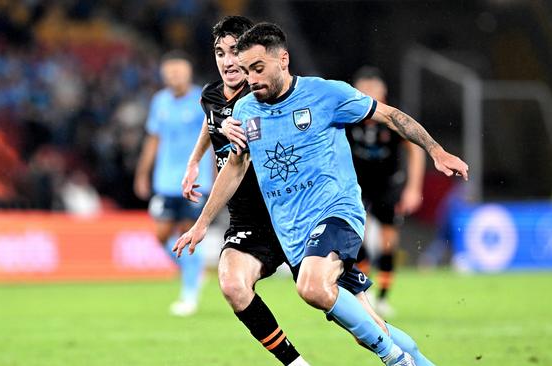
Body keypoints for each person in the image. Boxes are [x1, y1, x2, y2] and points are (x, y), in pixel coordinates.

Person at [176, 23, 468, 365]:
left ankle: (393, 359)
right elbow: (235, 168)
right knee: (364, 323)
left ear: (283, 60)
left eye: (257, 69)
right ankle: (416, 360)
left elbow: (390, 116)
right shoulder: (246, 111)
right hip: (292, 229)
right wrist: (202, 223)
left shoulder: (326, 94)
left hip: (335, 212)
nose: (250, 80)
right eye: (246, 71)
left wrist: (436, 151)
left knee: (312, 287)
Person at [181, 16, 309, 366]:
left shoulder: (261, 99)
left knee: (329, 297)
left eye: (235, 51)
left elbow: (243, 159)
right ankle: (295, 363)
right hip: (247, 219)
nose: (227, 60)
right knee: (234, 286)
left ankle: (393, 350)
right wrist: (194, 162)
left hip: (289, 214)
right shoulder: (210, 95)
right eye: (220, 52)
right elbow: (211, 125)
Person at [134, 50, 213, 317]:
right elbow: (154, 139)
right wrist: (142, 173)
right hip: (165, 181)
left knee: (187, 236)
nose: (174, 76)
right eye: (169, 72)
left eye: (179, 71)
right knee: (160, 236)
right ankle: (193, 271)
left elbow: (213, 139)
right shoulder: (160, 102)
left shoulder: (201, 100)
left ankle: (189, 295)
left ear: (188, 73)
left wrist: (216, 174)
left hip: (196, 180)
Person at [347, 66, 426, 317]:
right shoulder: (348, 115)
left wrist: (413, 188)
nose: (369, 94)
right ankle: (364, 288)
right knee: (356, 235)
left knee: (388, 240)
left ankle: (382, 296)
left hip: (388, 183)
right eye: (364, 90)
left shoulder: (394, 117)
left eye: (374, 90)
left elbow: (416, 149)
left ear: (384, 92)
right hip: (356, 183)